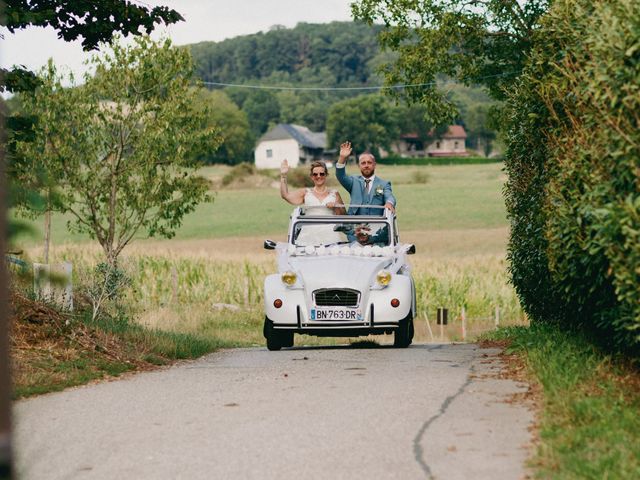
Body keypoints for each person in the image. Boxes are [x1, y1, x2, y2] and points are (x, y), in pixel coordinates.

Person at [279, 159, 347, 245]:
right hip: (308, 236)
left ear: (326, 175)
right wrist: (283, 175)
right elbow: (285, 195)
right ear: (311, 176)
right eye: (315, 174)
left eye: (322, 174)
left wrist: (335, 207)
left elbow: (343, 217)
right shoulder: (306, 192)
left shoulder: (335, 193)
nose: (318, 176)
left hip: (330, 235)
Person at [335, 141, 396, 215]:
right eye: (363, 163)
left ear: (374, 165)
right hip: (354, 224)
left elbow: (390, 197)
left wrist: (389, 203)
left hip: (376, 225)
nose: (366, 165)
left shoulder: (384, 184)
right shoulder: (353, 181)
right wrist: (342, 158)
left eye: (369, 162)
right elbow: (340, 176)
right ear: (359, 166)